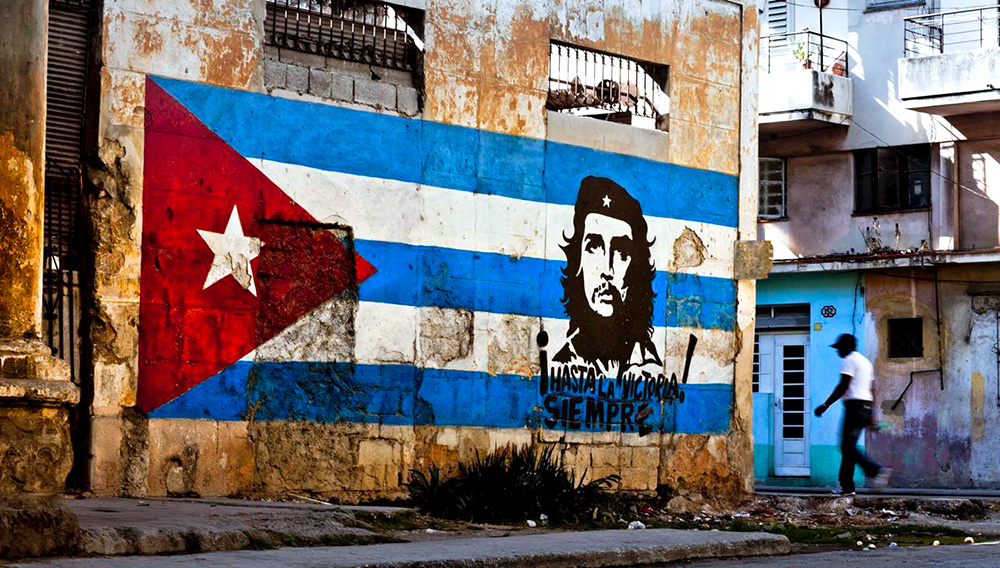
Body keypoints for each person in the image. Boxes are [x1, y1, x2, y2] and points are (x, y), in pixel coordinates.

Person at [553, 176, 661, 377]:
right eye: (594, 247)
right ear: (578, 263)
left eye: (621, 252)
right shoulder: (562, 365)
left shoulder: (652, 367)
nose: (608, 270)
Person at [814, 333, 891, 495]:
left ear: (846, 347)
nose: (837, 352)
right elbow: (872, 390)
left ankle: (876, 470)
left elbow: (843, 386)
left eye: (839, 349)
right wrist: (871, 415)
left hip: (854, 408)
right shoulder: (865, 362)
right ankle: (847, 487)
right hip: (865, 407)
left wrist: (826, 405)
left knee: (847, 447)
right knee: (848, 448)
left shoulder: (848, 360)